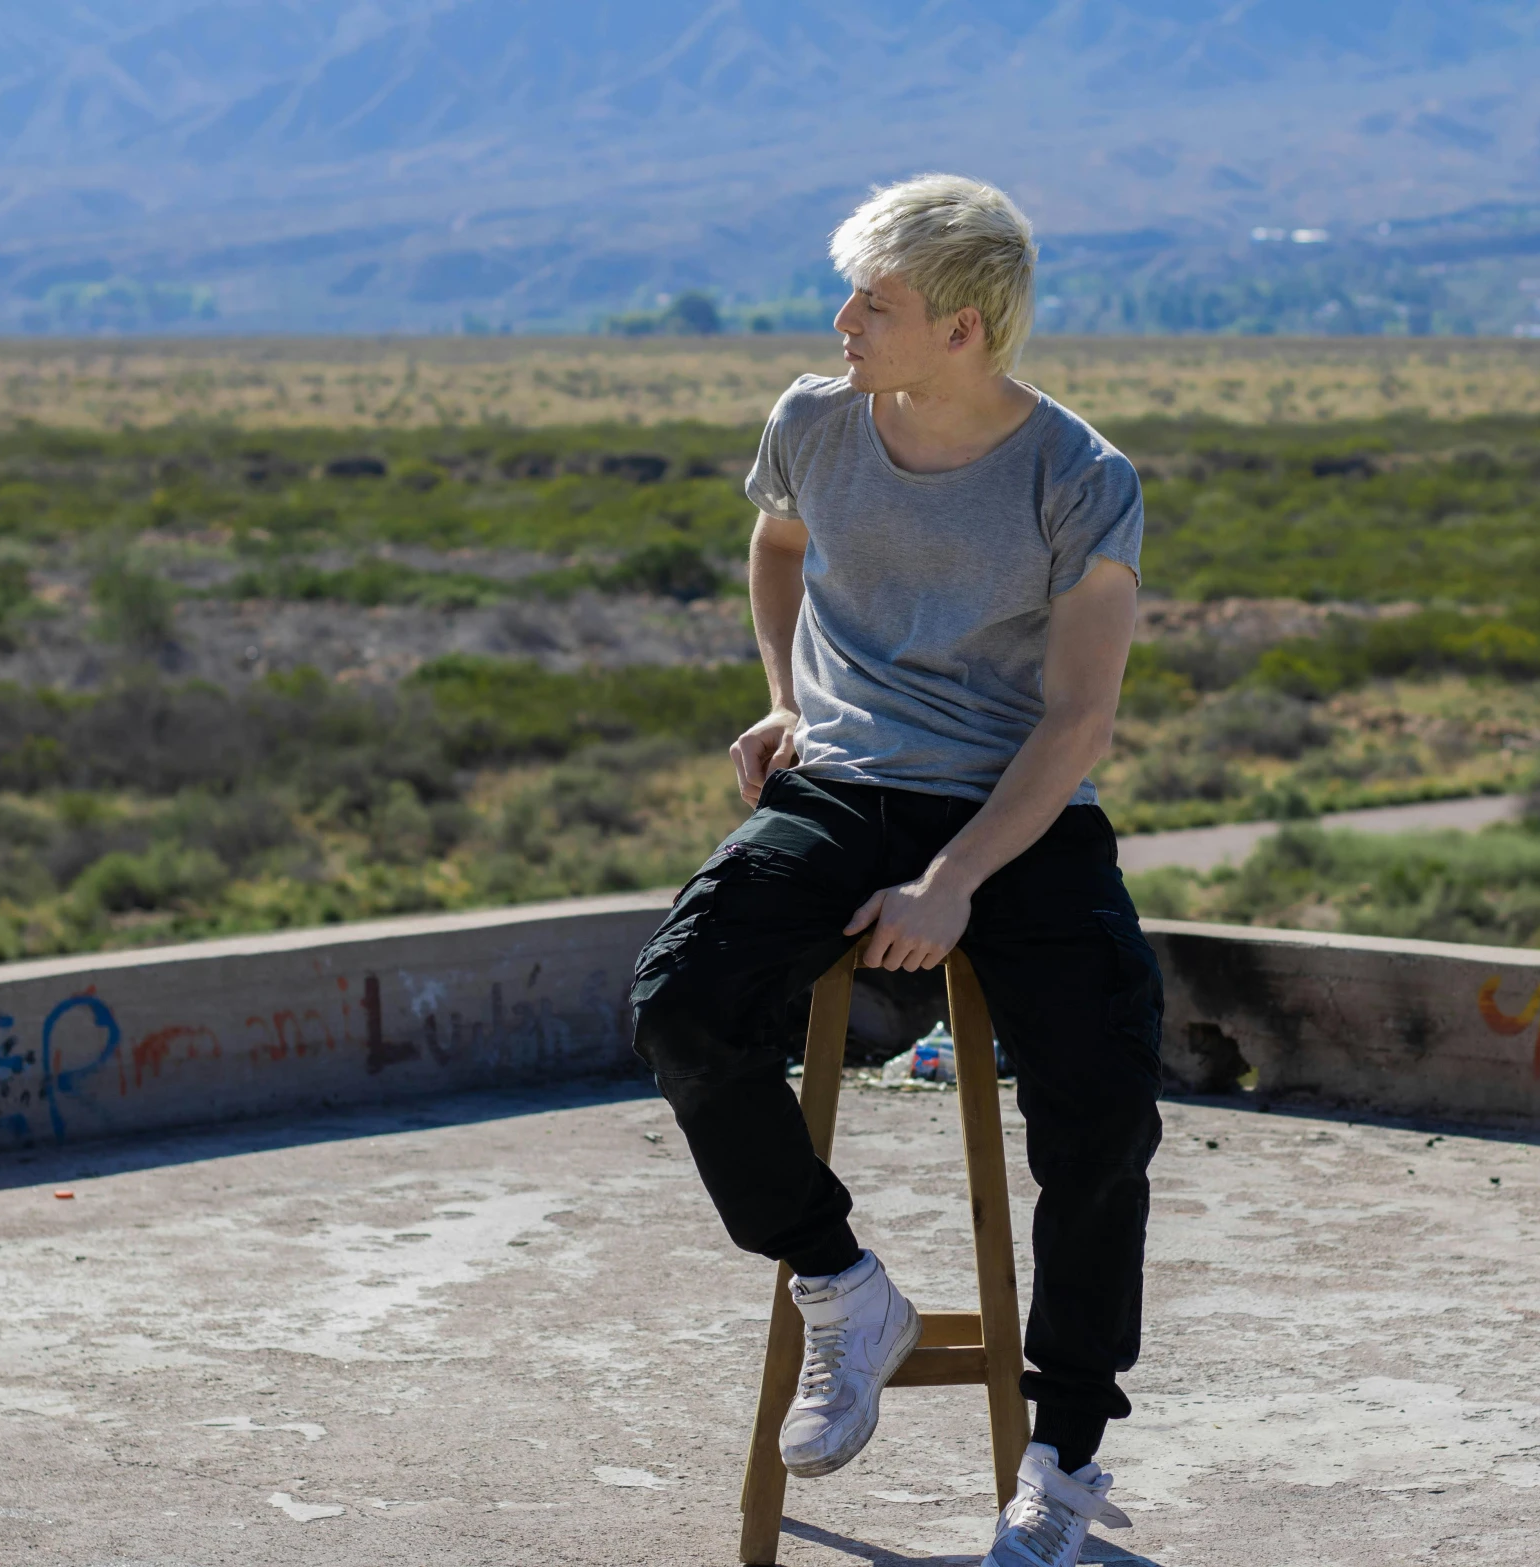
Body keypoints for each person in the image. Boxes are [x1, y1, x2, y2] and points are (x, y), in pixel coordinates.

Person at [628, 172, 1161, 1567]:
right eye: (851, 292)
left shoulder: (1081, 477)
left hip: (1015, 808)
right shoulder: (813, 419)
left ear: (966, 329)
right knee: (680, 999)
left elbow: (1077, 720)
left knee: (1103, 1111)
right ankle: (841, 1285)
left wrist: (956, 881)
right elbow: (781, 542)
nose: (842, 319)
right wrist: (788, 693)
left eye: (879, 301)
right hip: (847, 780)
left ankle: (1063, 1460)